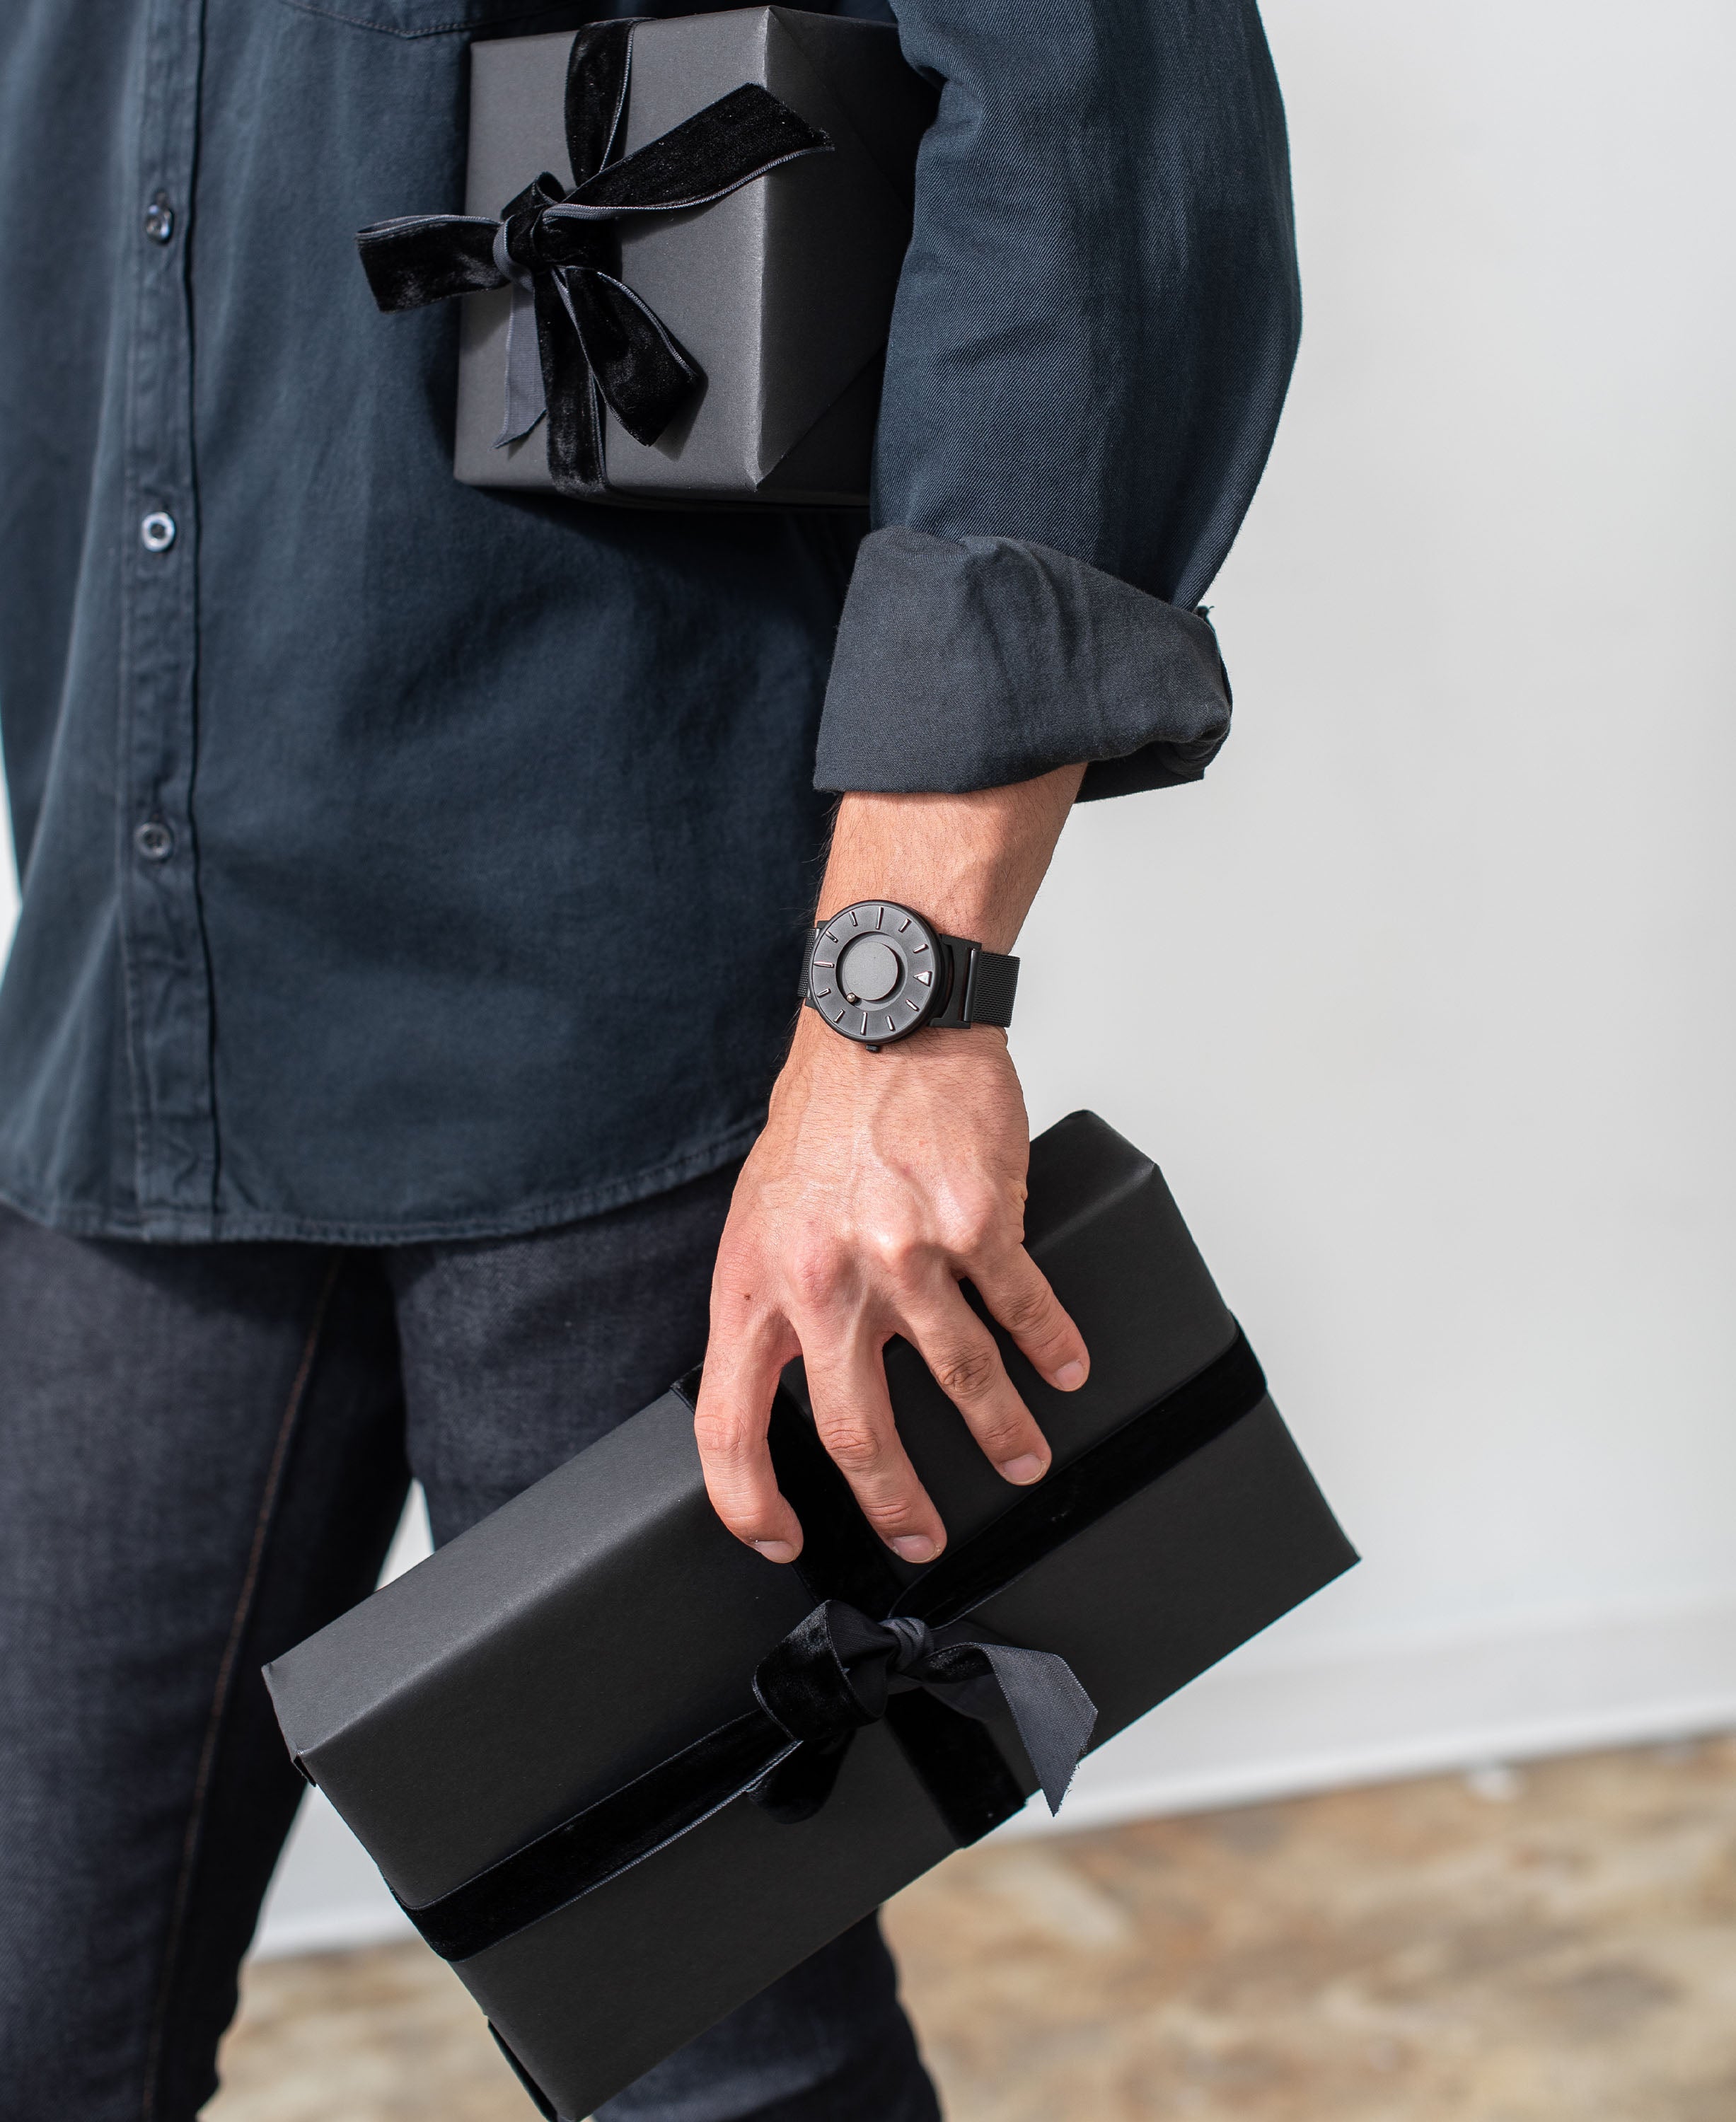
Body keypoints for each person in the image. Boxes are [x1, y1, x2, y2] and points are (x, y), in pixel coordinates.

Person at [0, 0, 1299, 2114]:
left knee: (717, 2064)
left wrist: (899, 1007)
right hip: (135, 1022)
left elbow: (1099, 130)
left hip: (619, 1042)